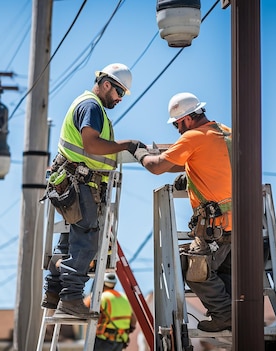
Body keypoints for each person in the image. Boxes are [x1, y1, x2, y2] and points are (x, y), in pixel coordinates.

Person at [41, 63, 146, 318]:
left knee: (68, 243)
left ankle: (53, 292)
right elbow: (92, 145)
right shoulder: (91, 106)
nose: (120, 99)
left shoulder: (89, 105)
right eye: (119, 92)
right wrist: (128, 144)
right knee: (86, 241)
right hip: (81, 184)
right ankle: (72, 299)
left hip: (72, 182)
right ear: (107, 84)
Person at [130, 92, 232, 332]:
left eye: (177, 124)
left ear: (186, 119)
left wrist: (139, 152)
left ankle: (226, 315)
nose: (177, 129)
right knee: (224, 271)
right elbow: (212, 165)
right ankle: (235, 313)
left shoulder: (193, 137)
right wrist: (189, 176)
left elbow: (157, 167)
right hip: (242, 225)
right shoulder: (225, 131)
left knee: (193, 268)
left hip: (215, 227)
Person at [84, 273, 137, 350]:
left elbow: (82, 307)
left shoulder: (99, 297)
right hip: (120, 340)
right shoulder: (124, 297)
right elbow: (133, 321)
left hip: (103, 340)